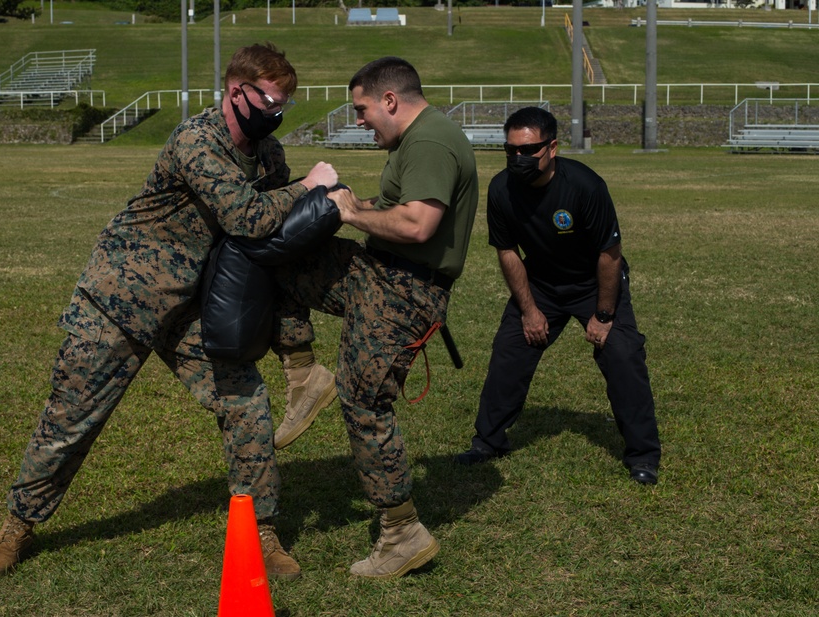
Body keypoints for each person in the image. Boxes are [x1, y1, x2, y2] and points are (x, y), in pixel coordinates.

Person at [0, 42, 340, 581]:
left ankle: (261, 531)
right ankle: (16, 526)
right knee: (71, 420)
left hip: (190, 307)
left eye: (284, 104)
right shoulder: (197, 140)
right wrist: (309, 189)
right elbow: (246, 217)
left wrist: (297, 346)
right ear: (235, 92)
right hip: (121, 296)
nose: (276, 114)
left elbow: (273, 246)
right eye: (268, 101)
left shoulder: (268, 157)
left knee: (245, 403)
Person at [272, 57, 479, 578]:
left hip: (406, 291)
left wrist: (348, 213)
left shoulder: (430, 140)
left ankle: (402, 533)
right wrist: (340, 203)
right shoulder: (416, 141)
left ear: (390, 100)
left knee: (364, 402)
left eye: (363, 109)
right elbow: (393, 209)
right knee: (278, 260)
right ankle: (304, 377)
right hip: (379, 271)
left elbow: (416, 225)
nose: (360, 120)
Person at [455, 106, 661, 485]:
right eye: (511, 150)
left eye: (528, 150)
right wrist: (530, 311)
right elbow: (507, 253)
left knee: (622, 355)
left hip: (594, 282)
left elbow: (609, 254)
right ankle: (487, 442)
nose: (518, 158)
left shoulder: (585, 186)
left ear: (552, 148)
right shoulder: (501, 189)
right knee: (509, 352)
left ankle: (643, 455)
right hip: (541, 284)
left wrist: (603, 314)